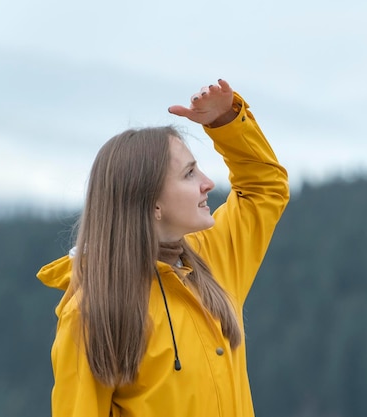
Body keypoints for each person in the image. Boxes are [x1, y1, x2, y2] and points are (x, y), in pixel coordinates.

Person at [36, 79, 289, 417]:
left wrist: (226, 124)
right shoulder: (91, 312)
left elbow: (265, 189)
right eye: (188, 174)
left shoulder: (213, 258)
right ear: (153, 204)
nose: (207, 183)